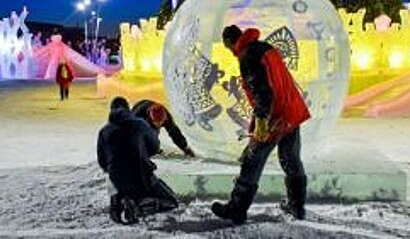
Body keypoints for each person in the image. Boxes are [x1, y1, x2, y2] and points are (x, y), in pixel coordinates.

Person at [212, 25, 311, 224]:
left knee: (252, 161)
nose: (230, 52)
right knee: (290, 159)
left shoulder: (247, 56)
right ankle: (297, 206)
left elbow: (262, 92)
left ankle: (237, 209)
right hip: (291, 110)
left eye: (228, 47)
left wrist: (262, 123)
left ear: (231, 42)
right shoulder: (265, 47)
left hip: (275, 117)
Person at [97, 97, 179, 225]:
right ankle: (138, 208)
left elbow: (102, 163)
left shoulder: (103, 132)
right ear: (128, 108)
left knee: (131, 188)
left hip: (118, 181)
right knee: (172, 202)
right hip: (142, 178)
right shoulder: (140, 124)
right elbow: (154, 147)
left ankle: (120, 198)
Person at [131, 99, 196, 157]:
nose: (159, 125)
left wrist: (185, 148)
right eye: (157, 122)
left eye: (161, 122)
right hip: (138, 112)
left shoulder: (167, 118)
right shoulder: (138, 115)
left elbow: (175, 134)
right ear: (151, 118)